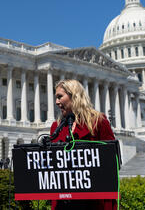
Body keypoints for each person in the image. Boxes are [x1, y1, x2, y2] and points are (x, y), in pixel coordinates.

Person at [50, 79, 116, 210]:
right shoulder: (55, 127)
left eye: (60, 97)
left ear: (74, 96)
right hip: (64, 201)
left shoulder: (98, 121)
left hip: (94, 200)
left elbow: (112, 159)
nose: (56, 102)